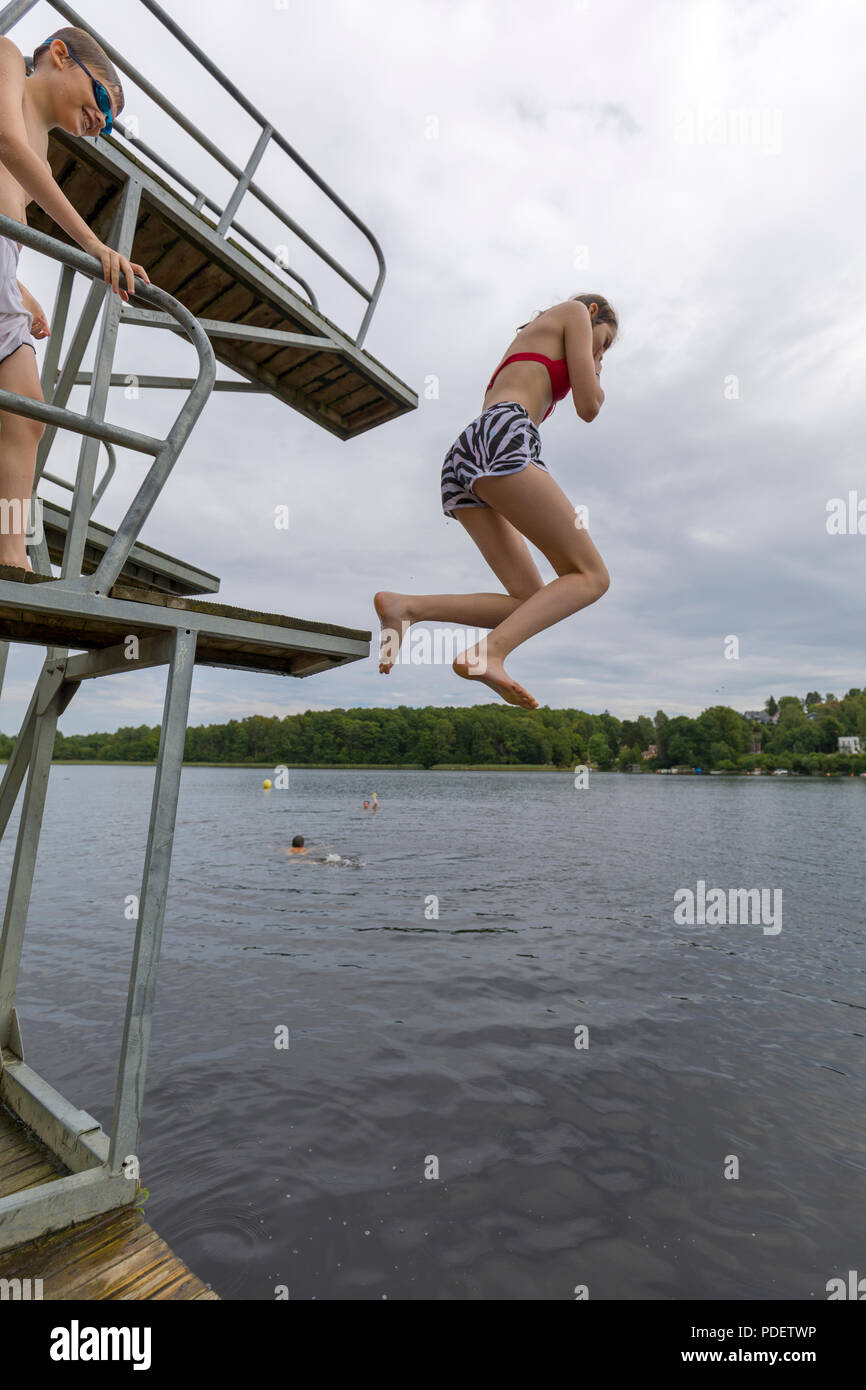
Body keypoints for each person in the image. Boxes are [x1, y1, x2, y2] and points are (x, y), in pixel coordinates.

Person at [374, 294, 617, 710]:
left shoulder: (533, 340)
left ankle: (407, 606)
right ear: (594, 312)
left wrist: (591, 357)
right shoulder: (575, 312)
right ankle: (486, 654)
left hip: (467, 454)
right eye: (604, 343)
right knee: (590, 576)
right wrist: (593, 367)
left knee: (530, 602)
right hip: (503, 436)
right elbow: (589, 405)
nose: (600, 354)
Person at [0, 27, 151, 572]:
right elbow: (5, 143)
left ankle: (10, 556)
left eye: (110, 122)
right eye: (103, 100)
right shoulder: (9, 60)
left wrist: (19, 290)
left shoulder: (42, 144)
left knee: (29, 415)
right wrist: (91, 243)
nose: (102, 121)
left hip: (4, 282)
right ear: (61, 56)